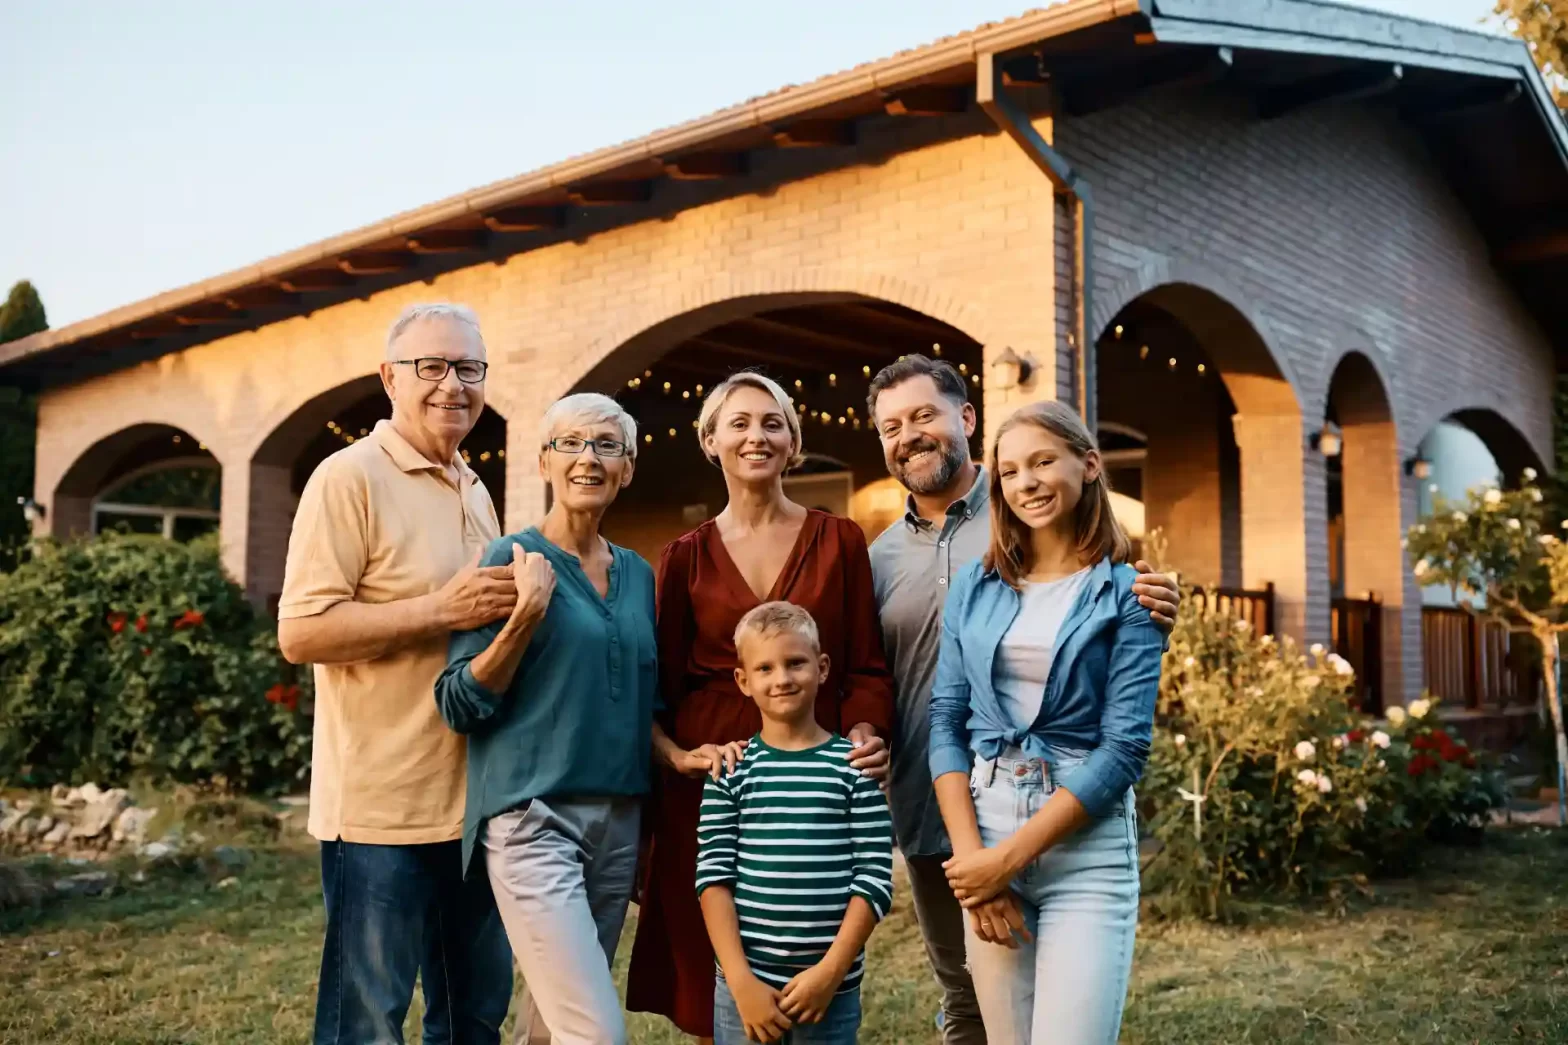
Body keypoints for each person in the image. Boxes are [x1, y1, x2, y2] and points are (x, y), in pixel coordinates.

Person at [865, 354, 1179, 1044]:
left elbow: (1124, 745)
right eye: (1013, 471)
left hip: (1075, 835)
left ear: (1088, 464)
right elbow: (933, 706)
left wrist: (994, 864)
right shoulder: (899, 561)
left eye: (924, 414)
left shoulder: (1126, 589)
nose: (1026, 482)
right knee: (970, 1010)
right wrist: (979, 861)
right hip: (958, 808)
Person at [435, 393, 741, 1045]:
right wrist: (523, 617)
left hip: (618, 824)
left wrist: (679, 756)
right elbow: (458, 700)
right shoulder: (509, 559)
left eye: (606, 445)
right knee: (595, 1030)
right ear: (545, 460)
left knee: (552, 1023)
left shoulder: (636, 572)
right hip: (531, 819)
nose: (588, 458)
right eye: (571, 443)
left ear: (628, 469)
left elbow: (641, 702)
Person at [626, 371, 895, 1042]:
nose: (756, 435)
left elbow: (864, 662)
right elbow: (659, 694)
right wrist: (681, 759)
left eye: (772, 422)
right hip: (715, 777)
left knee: (812, 925)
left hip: (815, 766)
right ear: (710, 441)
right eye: (739, 423)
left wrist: (864, 731)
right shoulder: (683, 558)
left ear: (794, 442)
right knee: (715, 968)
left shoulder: (841, 540)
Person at [278, 303, 514, 1045]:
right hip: (380, 812)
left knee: (473, 1018)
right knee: (367, 1026)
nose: (453, 385)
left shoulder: (475, 486)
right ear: (390, 377)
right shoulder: (347, 477)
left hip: (472, 805)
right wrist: (438, 609)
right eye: (432, 367)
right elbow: (301, 631)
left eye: (469, 368)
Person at [696, 602, 895, 1045]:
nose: (782, 678)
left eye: (795, 663)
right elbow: (713, 878)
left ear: (822, 668)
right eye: (764, 668)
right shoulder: (731, 771)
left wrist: (830, 972)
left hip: (829, 991)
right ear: (743, 681)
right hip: (744, 988)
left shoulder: (853, 769)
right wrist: (741, 981)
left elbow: (875, 880)